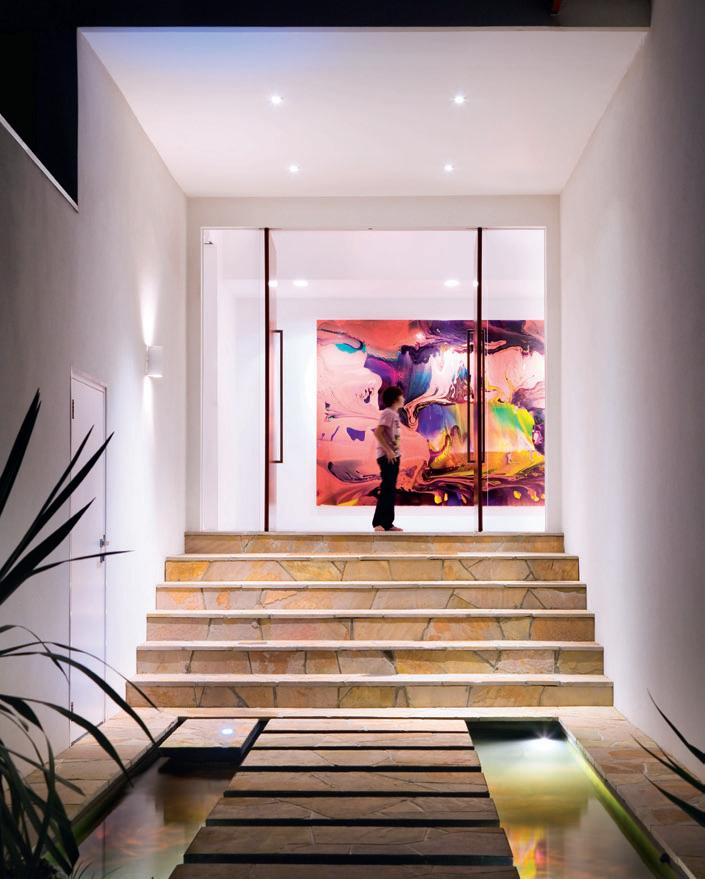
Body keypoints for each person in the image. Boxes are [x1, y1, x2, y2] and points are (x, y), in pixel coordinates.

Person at [372, 385, 405, 532]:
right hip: (387, 457)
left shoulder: (394, 415)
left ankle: (388, 523)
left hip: (394, 456)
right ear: (396, 399)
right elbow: (378, 432)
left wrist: (395, 453)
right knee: (387, 489)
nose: (404, 398)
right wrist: (389, 451)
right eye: (401, 396)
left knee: (390, 490)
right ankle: (378, 522)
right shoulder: (387, 413)